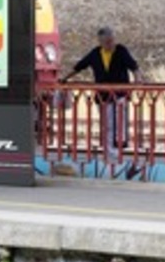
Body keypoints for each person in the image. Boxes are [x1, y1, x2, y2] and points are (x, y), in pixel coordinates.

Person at [61, 27, 145, 167]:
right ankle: (110, 154)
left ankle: (116, 152)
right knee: (107, 125)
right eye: (107, 42)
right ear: (101, 42)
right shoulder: (95, 53)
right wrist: (64, 79)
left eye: (112, 41)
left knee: (119, 125)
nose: (110, 44)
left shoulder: (121, 50)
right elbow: (79, 67)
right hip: (103, 96)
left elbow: (133, 66)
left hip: (119, 95)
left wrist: (138, 78)